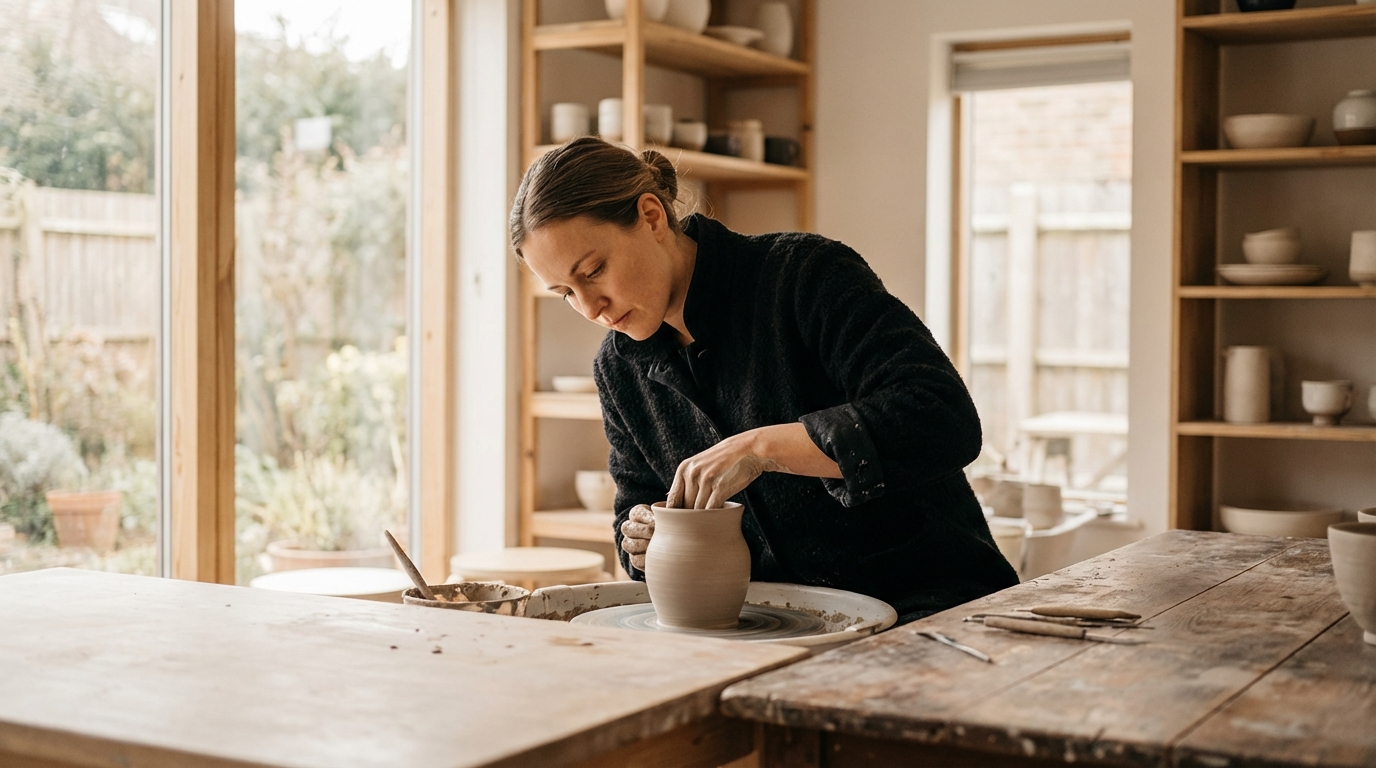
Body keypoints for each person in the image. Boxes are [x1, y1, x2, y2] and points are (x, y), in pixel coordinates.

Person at [509, 137, 1017, 624]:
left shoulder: (803, 275)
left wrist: (763, 447)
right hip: (766, 626)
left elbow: (941, 417)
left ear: (651, 216)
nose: (590, 308)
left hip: (932, 605)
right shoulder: (619, 368)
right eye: (565, 293)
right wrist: (640, 537)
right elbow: (634, 508)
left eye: (594, 270)